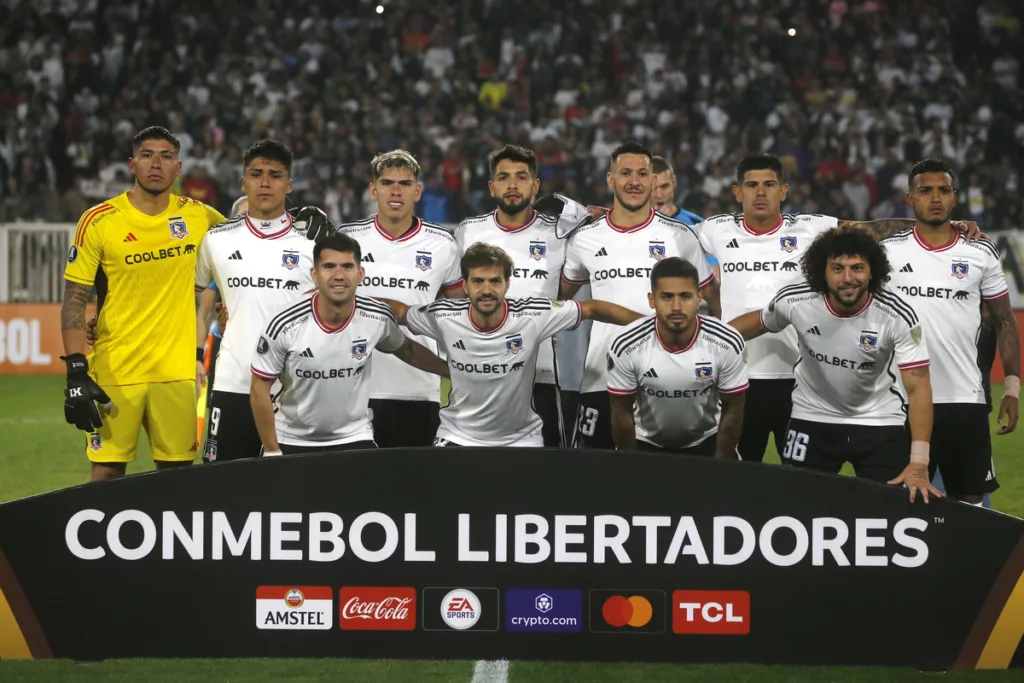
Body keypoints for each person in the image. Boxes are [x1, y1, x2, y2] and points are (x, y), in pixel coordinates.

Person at [696, 153, 980, 464]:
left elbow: (873, 228)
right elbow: (674, 237)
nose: (760, 192)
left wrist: (942, 226)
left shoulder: (810, 227)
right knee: (737, 472)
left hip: (798, 380)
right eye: (751, 185)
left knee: (800, 479)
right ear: (737, 192)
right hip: (739, 374)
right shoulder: (714, 229)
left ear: (784, 190)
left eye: (769, 184)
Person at [61, 126, 226, 482]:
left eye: (166, 156)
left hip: (176, 372)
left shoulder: (201, 216)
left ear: (178, 168)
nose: (156, 163)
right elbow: (75, 298)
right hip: (115, 369)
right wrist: (76, 370)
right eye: (147, 155)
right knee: (105, 474)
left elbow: (247, 245)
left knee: (177, 478)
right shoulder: (99, 221)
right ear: (132, 164)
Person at [729, 226, 940, 503]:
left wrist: (919, 463)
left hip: (878, 420)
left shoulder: (896, 314)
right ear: (822, 272)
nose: (848, 278)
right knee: (799, 508)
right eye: (837, 268)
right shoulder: (795, 301)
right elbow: (757, 323)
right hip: (812, 416)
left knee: (891, 513)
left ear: (872, 271)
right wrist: (710, 342)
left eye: (857, 268)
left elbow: (918, 387)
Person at [378, 243, 644, 448]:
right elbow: (400, 311)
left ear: (507, 284)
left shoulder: (533, 315)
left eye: (495, 281)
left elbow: (592, 308)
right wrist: (350, 305)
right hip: (457, 436)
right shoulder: (443, 315)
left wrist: (649, 326)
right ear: (466, 286)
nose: (486, 289)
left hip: (521, 439)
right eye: (478, 281)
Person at [558, 140, 720, 450]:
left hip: (668, 378)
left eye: (643, 174)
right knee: (595, 477)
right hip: (601, 376)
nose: (634, 181)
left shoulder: (680, 235)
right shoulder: (584, 238)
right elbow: (561, 295)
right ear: (610, 179)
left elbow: (711, 296)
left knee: (663, 481)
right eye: (626, 173)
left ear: (652, 179)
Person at [883, 157, 1019, 505]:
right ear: (910, 198)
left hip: (964, 399)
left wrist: (1013, 388)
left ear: (955, 196)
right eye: (925, 191)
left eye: (944, 190)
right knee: (901, 502)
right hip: (900, 399)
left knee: (970, 502)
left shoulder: (979, 251)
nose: (935, 198)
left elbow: (1004, 320)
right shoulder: (886, 251)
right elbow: (849, 228)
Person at [250, 233, 450, 455]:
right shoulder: (284, 323)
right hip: (292, 438)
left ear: (360, 274)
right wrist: (271, 450)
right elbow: (259, 387)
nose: (338, 275)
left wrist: (452, 371)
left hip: (353, 436)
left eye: (347, 267)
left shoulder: (377, 316)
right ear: (314, 274)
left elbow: (407, 349)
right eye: (329, 267)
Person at [193, 139, 319, 463]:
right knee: (224, 491)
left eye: (275, 175)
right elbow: (191, 301)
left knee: (294, 494)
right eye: (256, 174)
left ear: (289, 185)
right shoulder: (216, 240)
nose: (265, 183)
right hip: (233, 385)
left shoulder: (313, 243)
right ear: (243, 182)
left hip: (297, 389)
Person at [339, 150, 465, 448]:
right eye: (387, 182)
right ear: (373, 189)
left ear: (417, 191)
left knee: (414, 486)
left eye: (405, 183)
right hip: (352, 387)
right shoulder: (347, 238)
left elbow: (459, 314)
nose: (396, 190)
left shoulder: (443, 244)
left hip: (419, 388)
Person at [454, 144, 569, 446]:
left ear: (536, 185)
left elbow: (566, 294)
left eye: (522, 177)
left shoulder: (558, 235)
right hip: (479, 371)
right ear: (492, 187)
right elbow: (455, 298)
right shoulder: (468, 231)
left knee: (543, 473)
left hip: (539, 373)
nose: (513, 185)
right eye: (504, 178)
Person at [608, 257, 748, 457]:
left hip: (706, 441)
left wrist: (720, 468)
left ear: (699, 297)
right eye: (666, 296)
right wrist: (632, 465)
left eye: (685, 296)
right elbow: (620, 411)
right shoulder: (625, 345)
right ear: (651, 299)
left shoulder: (727, 341)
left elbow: (733, 409)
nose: (676, 306)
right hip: (647, 444)